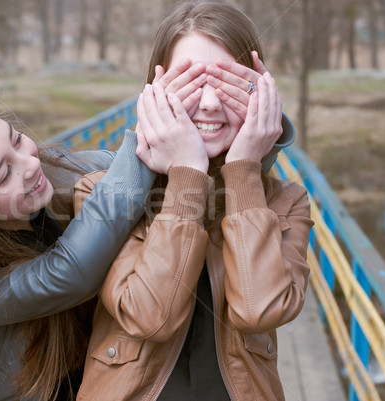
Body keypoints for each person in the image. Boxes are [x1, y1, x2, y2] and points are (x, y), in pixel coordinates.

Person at [0, 96, 212, 401]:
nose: (29, 163)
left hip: (114, 377)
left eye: (15, 139)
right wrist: (145, 138)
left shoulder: (52, 169)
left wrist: (230, 127)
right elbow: (68, 273)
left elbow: (142, 172)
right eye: (3, 175)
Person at [76, 2, 313, 400]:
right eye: (190, 82)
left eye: (225, 82)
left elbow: (260, 311)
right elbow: (151, 318)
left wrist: (242, 169)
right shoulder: (98, 192)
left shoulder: (288, 201)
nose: (208, 104)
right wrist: (187, 174)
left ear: (259, 89)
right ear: (155, 94)